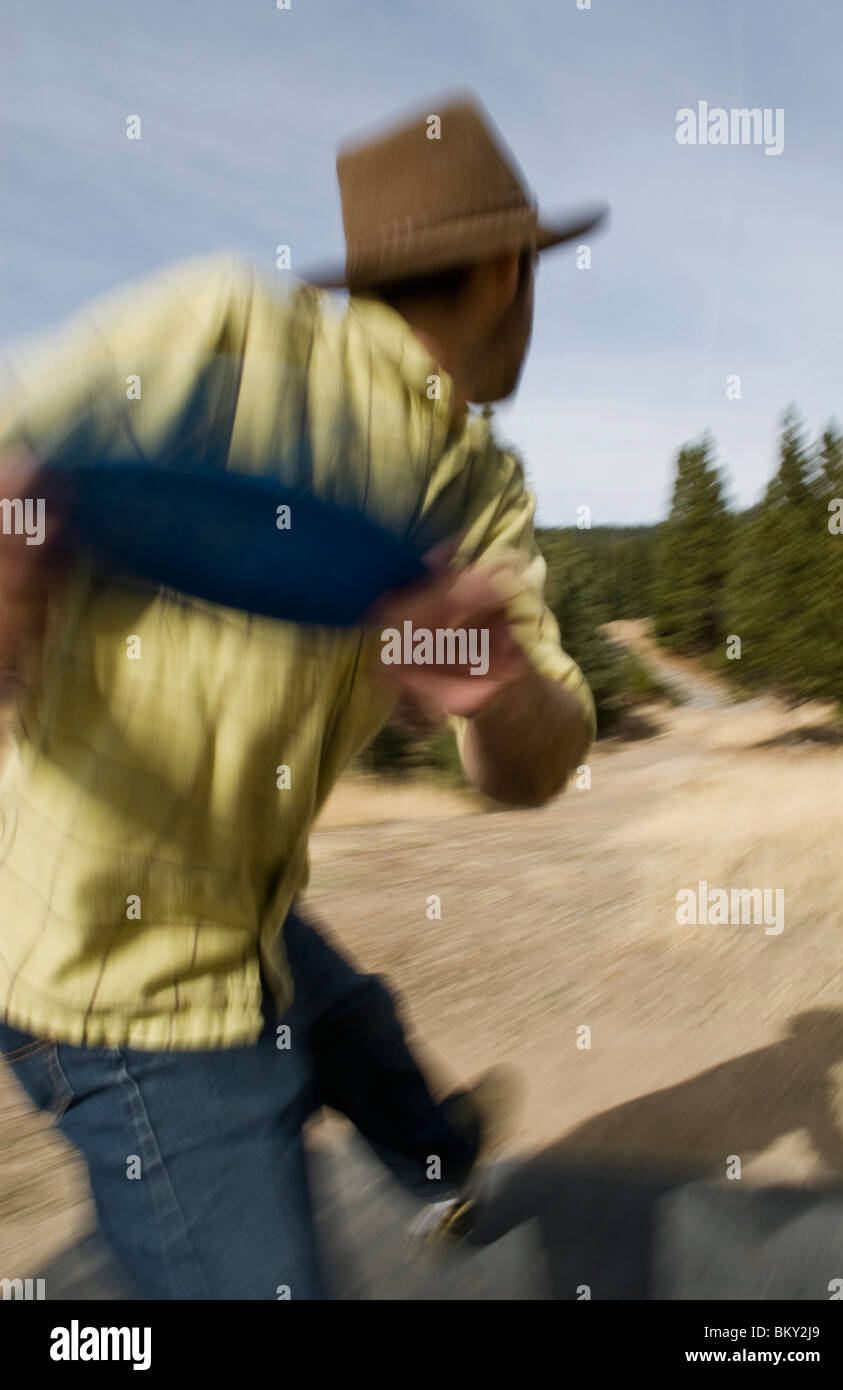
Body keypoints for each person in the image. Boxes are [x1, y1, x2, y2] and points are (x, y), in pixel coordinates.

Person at [0, 94, 603, 1298]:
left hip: (243, 905)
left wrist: (496, 695)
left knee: (346, 1019)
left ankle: (439, 1157)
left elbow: (541, 763)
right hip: (112, 980)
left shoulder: (479, 493)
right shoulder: (229, 334)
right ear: (501, 272)